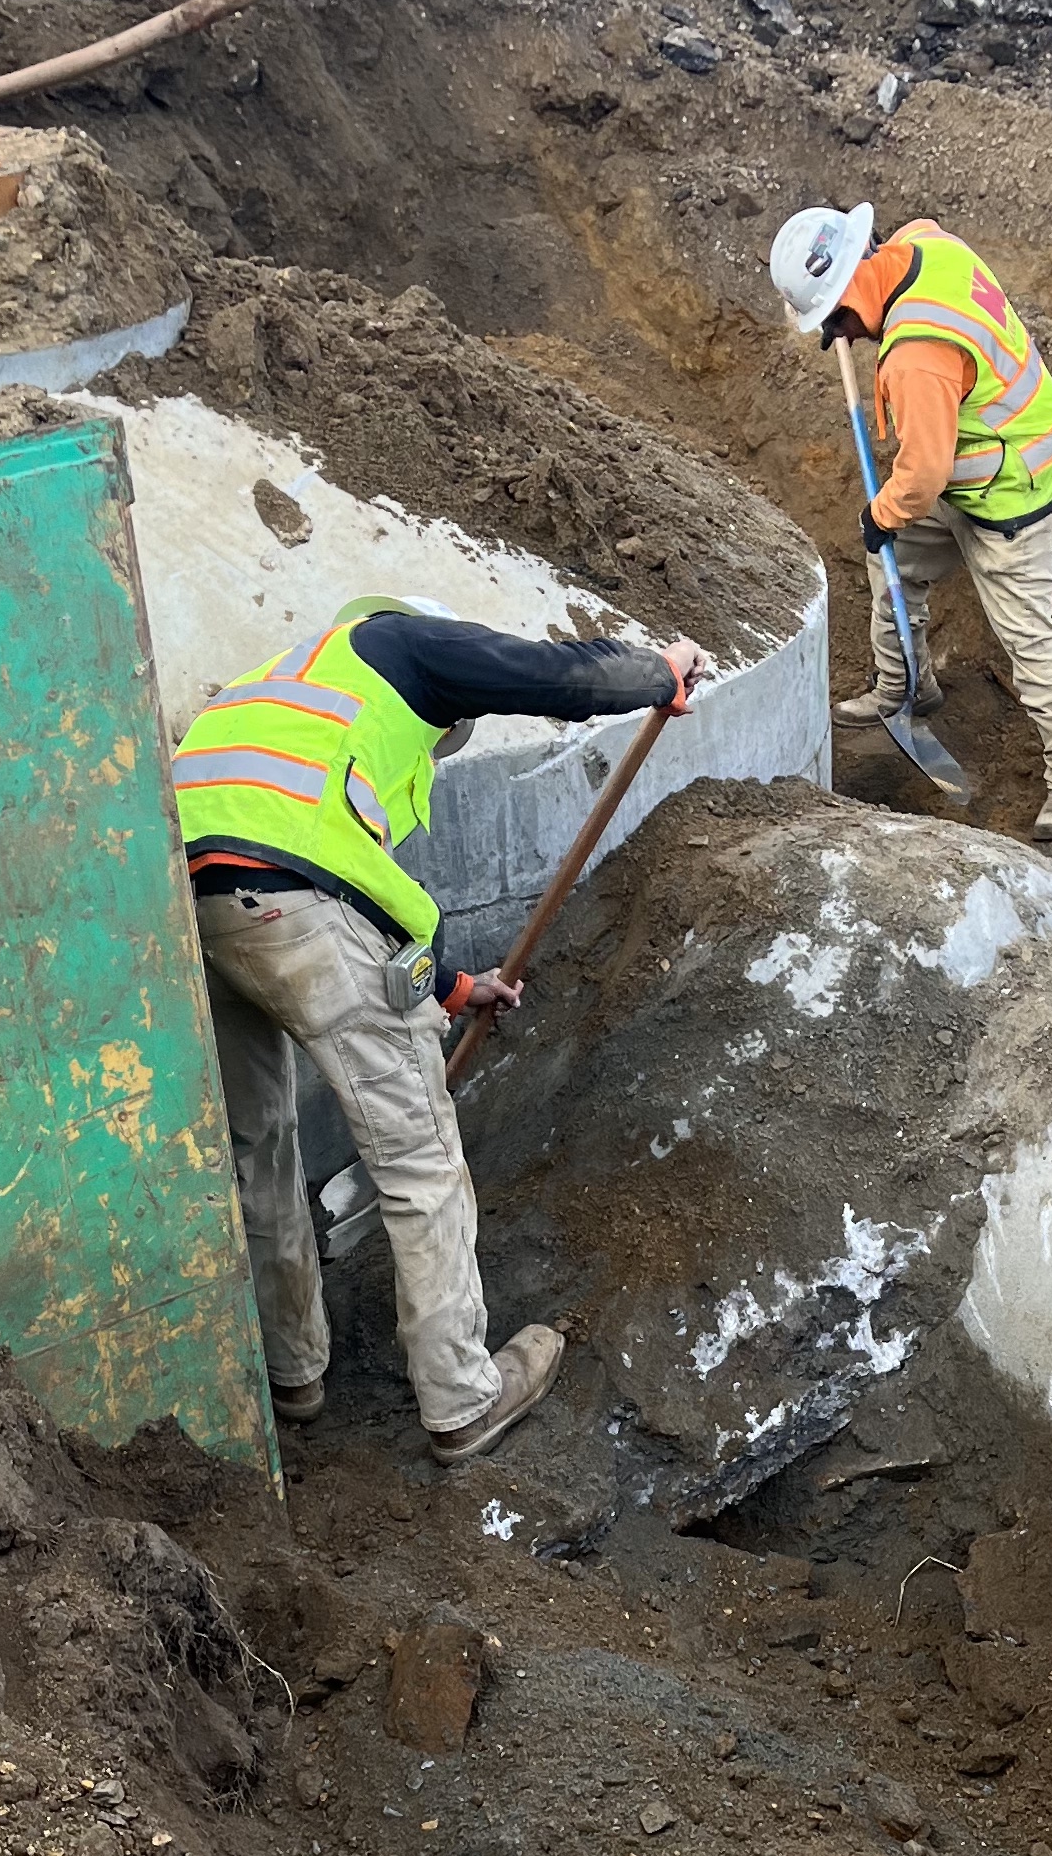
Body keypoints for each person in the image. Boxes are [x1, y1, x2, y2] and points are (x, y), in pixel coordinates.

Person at [174, 592, 708, 1464]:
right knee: (418, 1161)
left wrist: (455, 986)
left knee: (256, 1145)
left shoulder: (268, 697)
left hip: (191, 907)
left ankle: (291, 1371)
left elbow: (327, 876)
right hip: (291, 907)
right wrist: (657, 671)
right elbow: (545, 674)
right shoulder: (403, 642)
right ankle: (462, 1399)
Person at [769, 203, 1052, 844]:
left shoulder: (916, 355)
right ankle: (904, 690)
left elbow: (920, 476)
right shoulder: (924, 243)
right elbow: (931, 468)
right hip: (974, 459)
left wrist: (881, 511)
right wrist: (887, 524)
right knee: (889, 553)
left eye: (832, 322)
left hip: (1015, 489)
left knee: (1027, 641)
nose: (838, 336)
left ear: (842, 297)